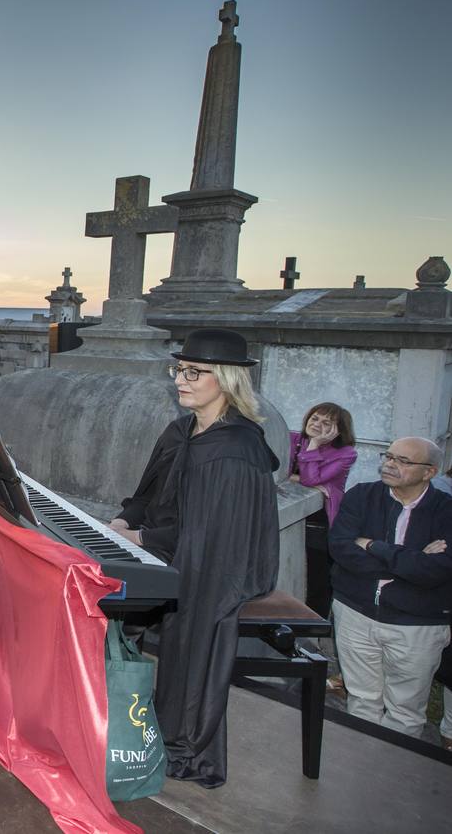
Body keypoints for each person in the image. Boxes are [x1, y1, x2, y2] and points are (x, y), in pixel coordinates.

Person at [109, 329, 279, 787]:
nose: (181, 380)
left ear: (224, 379)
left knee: (178, 614)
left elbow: (214, 540)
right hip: (170, 548)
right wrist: (126, 523)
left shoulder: (236, 448)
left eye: (193, 373)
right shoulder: (180, 430)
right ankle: (111, 709)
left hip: (219, 566)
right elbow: (146, 494)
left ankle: (176, 737)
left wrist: (144, 538)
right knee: (92, 588)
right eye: (178, 370)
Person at [328, 436, 452, 738]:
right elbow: (341, 549)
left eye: (403, 461)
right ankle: (358, 769)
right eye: (389, 456)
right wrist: (413, 559)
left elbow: (436, 570)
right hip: (356, 613)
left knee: (405, 710)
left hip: (416, 624)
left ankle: (393, 778)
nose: (389, 464)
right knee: (361, 701)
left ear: (429, 472)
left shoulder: (446, 510)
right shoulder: (362, 496)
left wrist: (373, 546)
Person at [288, 402, 358, 617]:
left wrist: (314, 445)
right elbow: (277, 472)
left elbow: (310, 479)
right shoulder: (292, 439)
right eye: (315, 418)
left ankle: (314, 625)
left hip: (321, 521)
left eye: (326, 423)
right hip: (291, 515)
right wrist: (295, 478)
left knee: (318, 576)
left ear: (338, 430)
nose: (317, 424)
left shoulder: (346, 454)